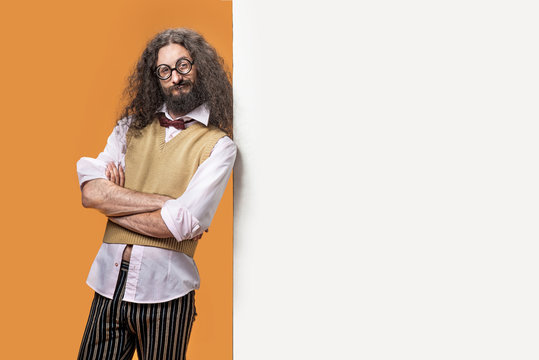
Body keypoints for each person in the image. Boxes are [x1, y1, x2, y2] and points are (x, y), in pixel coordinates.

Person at [76, 28, 235, 360]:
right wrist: (162, 202)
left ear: (199, 67)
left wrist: (117, 200)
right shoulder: (128, 127)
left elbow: (181, 224)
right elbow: (91, 192)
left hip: (168, 294)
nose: (175, 77)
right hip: (108, 286)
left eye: (183, 66)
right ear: (156, 79)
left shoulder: (218, 146)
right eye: (165, 71)